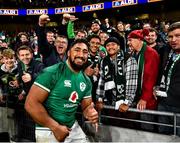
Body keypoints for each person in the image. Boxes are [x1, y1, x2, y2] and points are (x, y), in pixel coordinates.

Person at [25, 39, 98, 142]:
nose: (81, 55)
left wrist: (90, 113)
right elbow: (30, 104)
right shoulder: (52, 72)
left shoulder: (86, 81)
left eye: (85, 52)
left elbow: (86, 107)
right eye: (77, 50)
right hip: (47, 128)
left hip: (72, 127)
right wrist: (55, 127)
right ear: (68, 52)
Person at [127, 29, 160, 131]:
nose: (128, 43)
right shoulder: (135, 53)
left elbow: (150, 78)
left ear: (139, 40)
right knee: (138, 126)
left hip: (147, 99)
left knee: (146, 127)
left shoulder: (150, 53)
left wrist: (145, 98)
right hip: (137, 96)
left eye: (130, 40)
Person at [96, 37, 138, 113]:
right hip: (110, 101)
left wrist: (126, 103)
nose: (110, 47)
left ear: (118, 46)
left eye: (113, 44)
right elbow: (102, 81)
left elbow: (131, 83)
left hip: (126, 104)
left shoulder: (129, 59)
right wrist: (99, 99)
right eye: (108, 45)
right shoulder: (104, 61)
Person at [154, 22, 180, 136]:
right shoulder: (166, 50)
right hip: (163, 102)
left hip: (179, 106)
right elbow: (161, 72)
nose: (173, 39)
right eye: (170, 36)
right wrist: (156, 85)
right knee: (162, 137)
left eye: (178, 36)